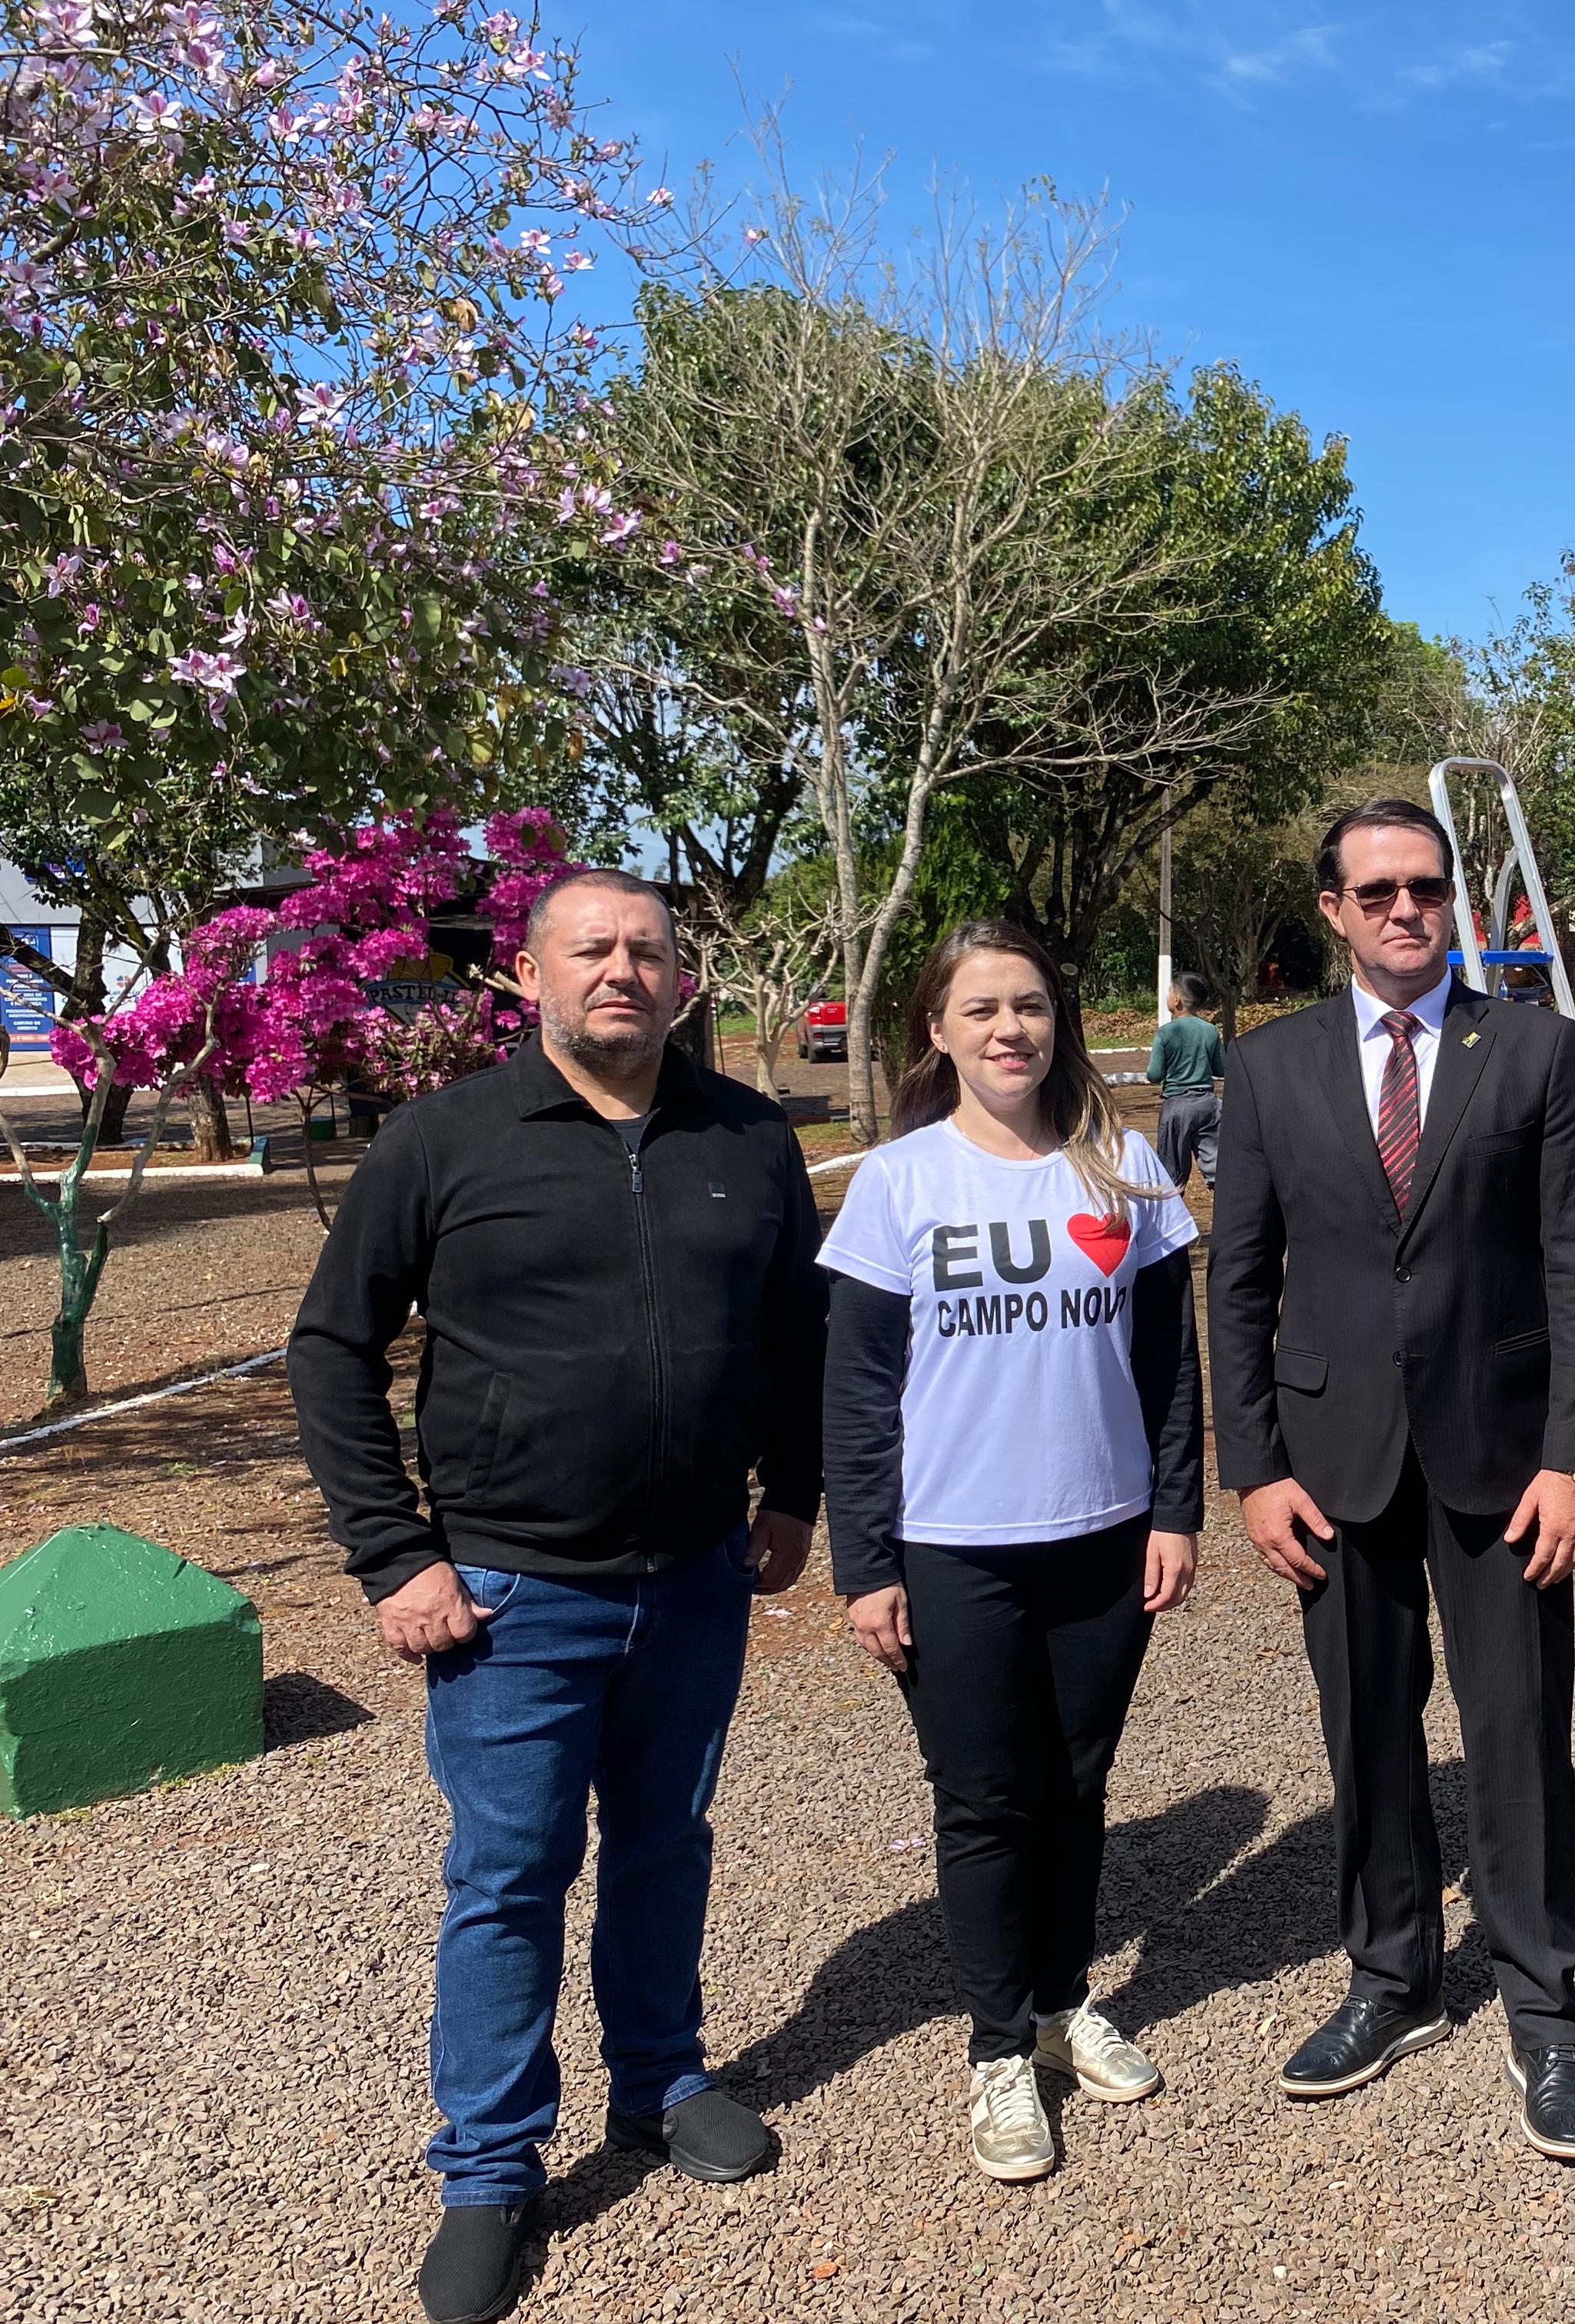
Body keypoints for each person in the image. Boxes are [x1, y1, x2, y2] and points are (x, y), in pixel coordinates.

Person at [287, 868, 824, 2324]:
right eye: (591, 948)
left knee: (665, 1843)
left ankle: (658, 2078)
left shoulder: (748, 1136)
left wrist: (792, 1494)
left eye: (648, 949)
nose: (622, 971)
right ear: (528, 976)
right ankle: (488, 2165)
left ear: (682, 978)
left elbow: (799, 1332)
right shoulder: (443, 1138)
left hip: (697, 1578)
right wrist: (393, 1551)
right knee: (510, 1875)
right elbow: (332, 1348)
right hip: (510, 1590)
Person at [1207, 797, 1575, 2163]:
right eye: (1377, 890)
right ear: (1333, 908)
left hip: (1504, 1460)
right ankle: (1391, 1979)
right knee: (1367, 1731)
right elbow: (1239, 1281)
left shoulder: (1535, 1049)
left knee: (1518, 1729)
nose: (1405, 909)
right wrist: (1253, 1469)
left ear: (1454, 900)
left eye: (1426, 887)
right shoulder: (1267, 1067)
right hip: (1333, 1463)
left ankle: (1543, 2004)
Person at [819, 921, 1203, 2185]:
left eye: (1029, 1005)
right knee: (986, 1798)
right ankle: (996, 2048)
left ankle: (1060, 2001)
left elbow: (1170, 1363)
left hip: (1102, 1537)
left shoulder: (1124, 1167)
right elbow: (856, 1394)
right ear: (936, 1029)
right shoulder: (898, 1181)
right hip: (952, 1546)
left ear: (1059, 1021)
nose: (1009, 1030)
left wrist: (1174, 1510)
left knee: (1078, 1785)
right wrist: (865, 1563)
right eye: (980, 1008)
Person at [1148, 970, 1222, 1193]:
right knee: (1219, 1172)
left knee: (1172, 1176)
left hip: (1177, 1108)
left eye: (1169, 991)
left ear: (1177, 1000)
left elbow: (1155, 1075)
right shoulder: (1210, 1030)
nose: (1167, 995)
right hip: (1208, 1105)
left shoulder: (1165, 1033)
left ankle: (1173, 1213)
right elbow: (1222, 1068)